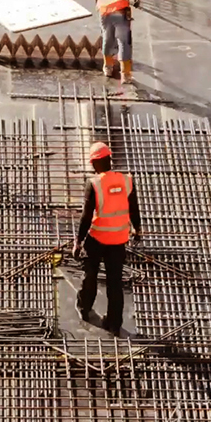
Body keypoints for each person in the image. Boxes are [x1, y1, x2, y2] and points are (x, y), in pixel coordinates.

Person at [73, 141, 141, 334]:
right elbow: (134, 207)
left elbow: (86, 216)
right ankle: (114, 323)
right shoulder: (126, 181)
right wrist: (137, 229)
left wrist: (78, 243)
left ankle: (85, 309)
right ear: (110, 160)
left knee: (90, 276)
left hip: (97, 238)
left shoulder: (94, 183)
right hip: (119, 239)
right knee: (115, 283)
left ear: (95, 164)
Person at [95, 0, 141, 86]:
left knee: (107, 38)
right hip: (119, 10)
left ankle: (107, 67)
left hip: (104, 11)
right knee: (123, 41)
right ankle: (125, 74)